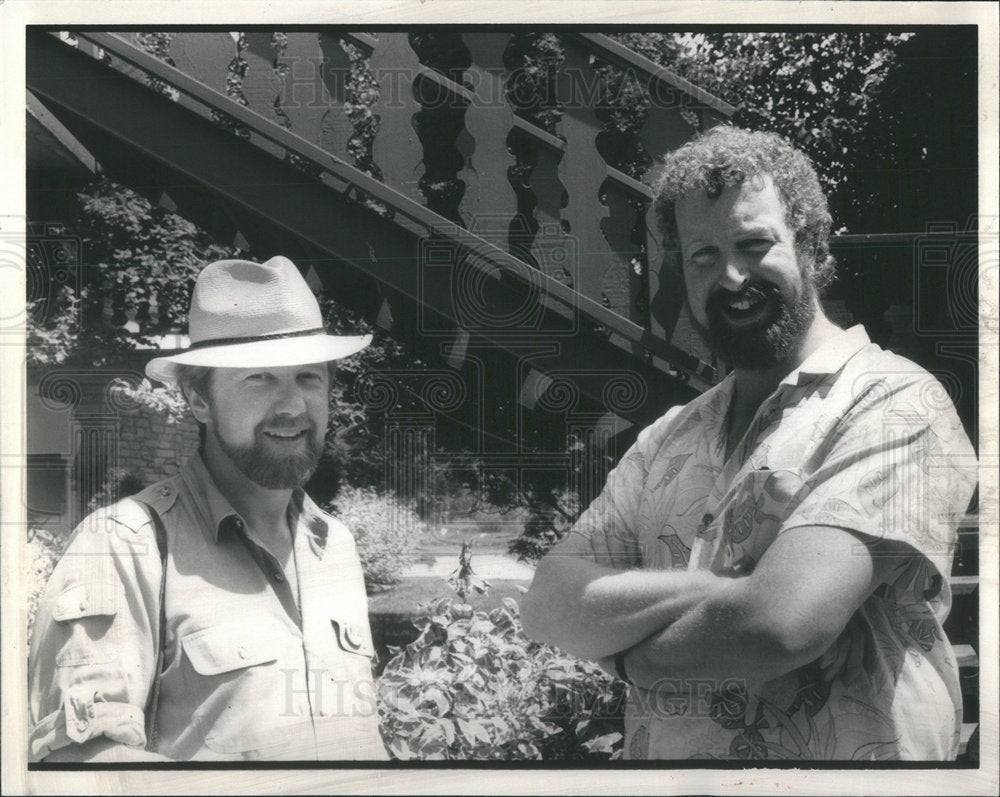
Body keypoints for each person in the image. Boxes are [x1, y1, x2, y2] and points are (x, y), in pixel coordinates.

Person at [520, 126, 977, 760]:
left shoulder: (895, 402)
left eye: (754, 244)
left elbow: (779, 627)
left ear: (812, 247)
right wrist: (720, 592)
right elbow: (547, 601)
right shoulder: (668, 435)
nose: (731, 276)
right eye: (703, 255)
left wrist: (625, 657)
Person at [28, 255, 388, 761]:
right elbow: (80, 762)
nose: (292, 407)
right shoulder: (124, 545)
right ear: (199, 399)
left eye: (309, 377)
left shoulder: (336, 546)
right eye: (259, 378)